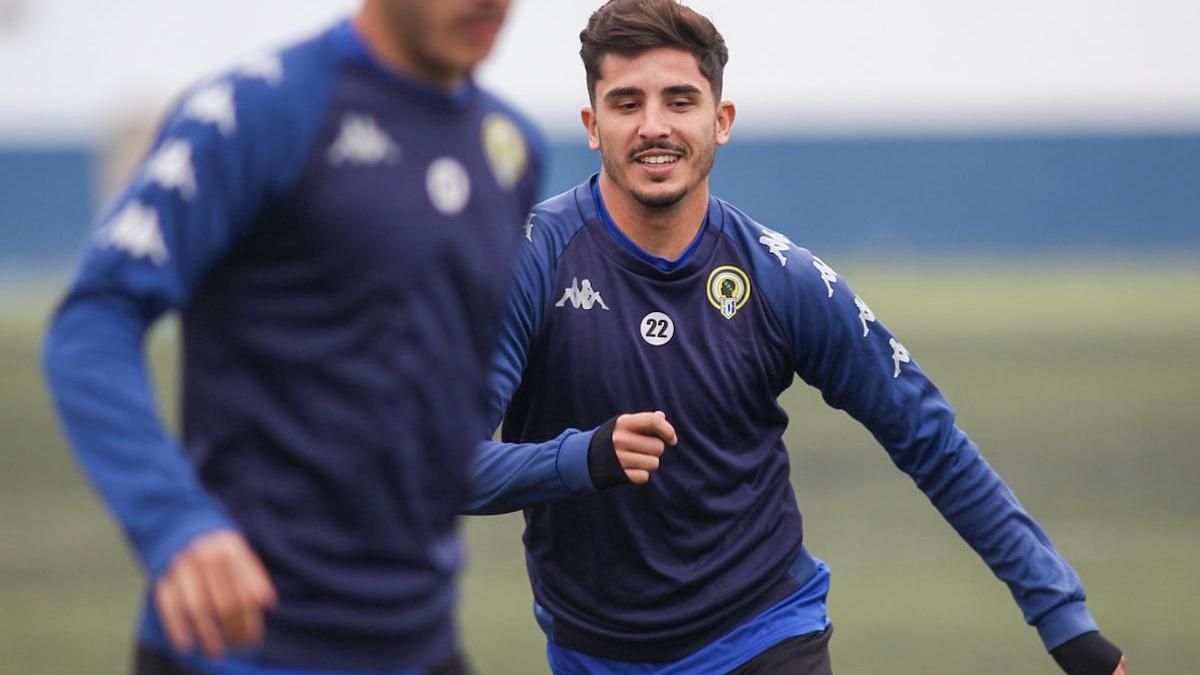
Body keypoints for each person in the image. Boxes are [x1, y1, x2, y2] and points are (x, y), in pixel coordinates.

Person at [464, 1, 1125, 673]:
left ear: (720, 121)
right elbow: (440, 469)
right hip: (592, 653)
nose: (654, 126)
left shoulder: (783, 279)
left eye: (680, 100)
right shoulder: (528, 263)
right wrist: (585, 457)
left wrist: (1065, 622)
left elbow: (933, 441)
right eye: (626, 103)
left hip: (764, 635)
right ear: (592, 125)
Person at [42, 1, 541, 673]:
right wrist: (174, 522)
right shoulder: (262, 111)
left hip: (416, 642)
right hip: (239, 645)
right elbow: (95, 317)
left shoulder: (509, 148)